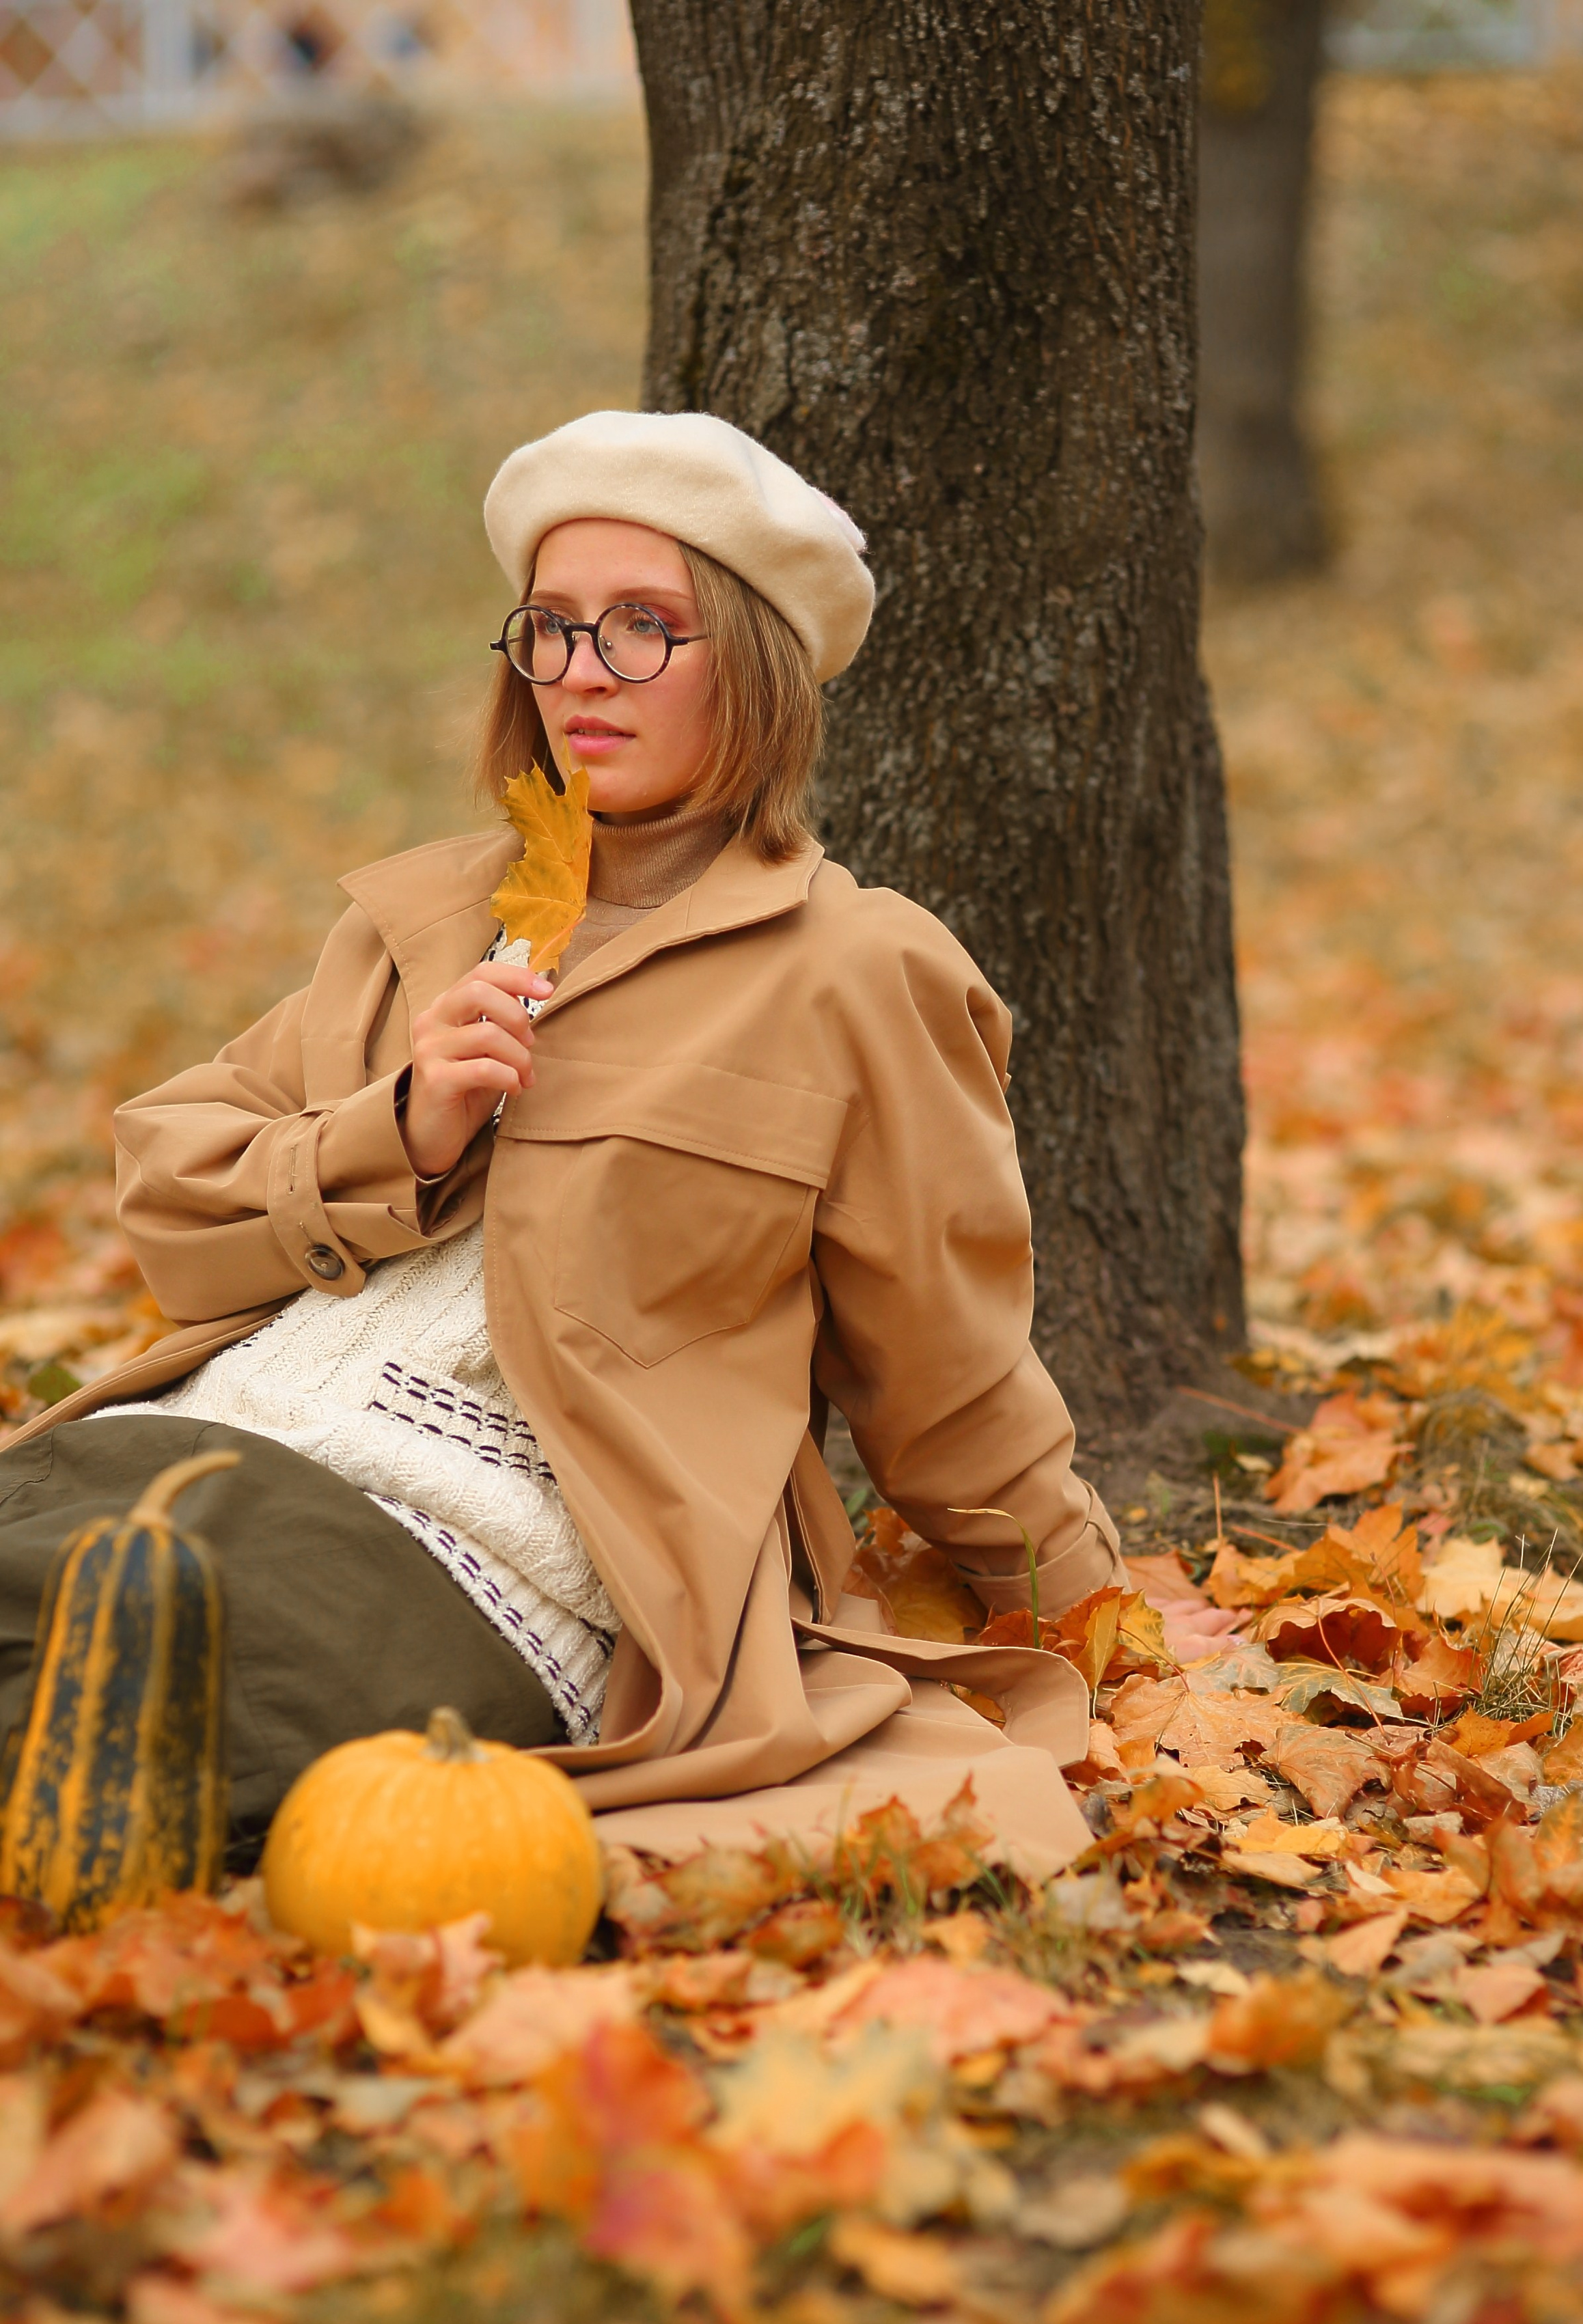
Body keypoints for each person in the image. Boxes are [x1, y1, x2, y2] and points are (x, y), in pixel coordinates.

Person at [0, 413, 1120, 1880]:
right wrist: (401, 1130)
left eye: (645, 628)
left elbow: (948, 1370)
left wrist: (1084, 1606)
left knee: (124, 1688)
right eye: (551, 628)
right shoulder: (426, 923)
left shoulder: (856, 972)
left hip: (470, 1559)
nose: (583, 672)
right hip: (172, 1450)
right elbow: (170, 1183)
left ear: (757, 665)